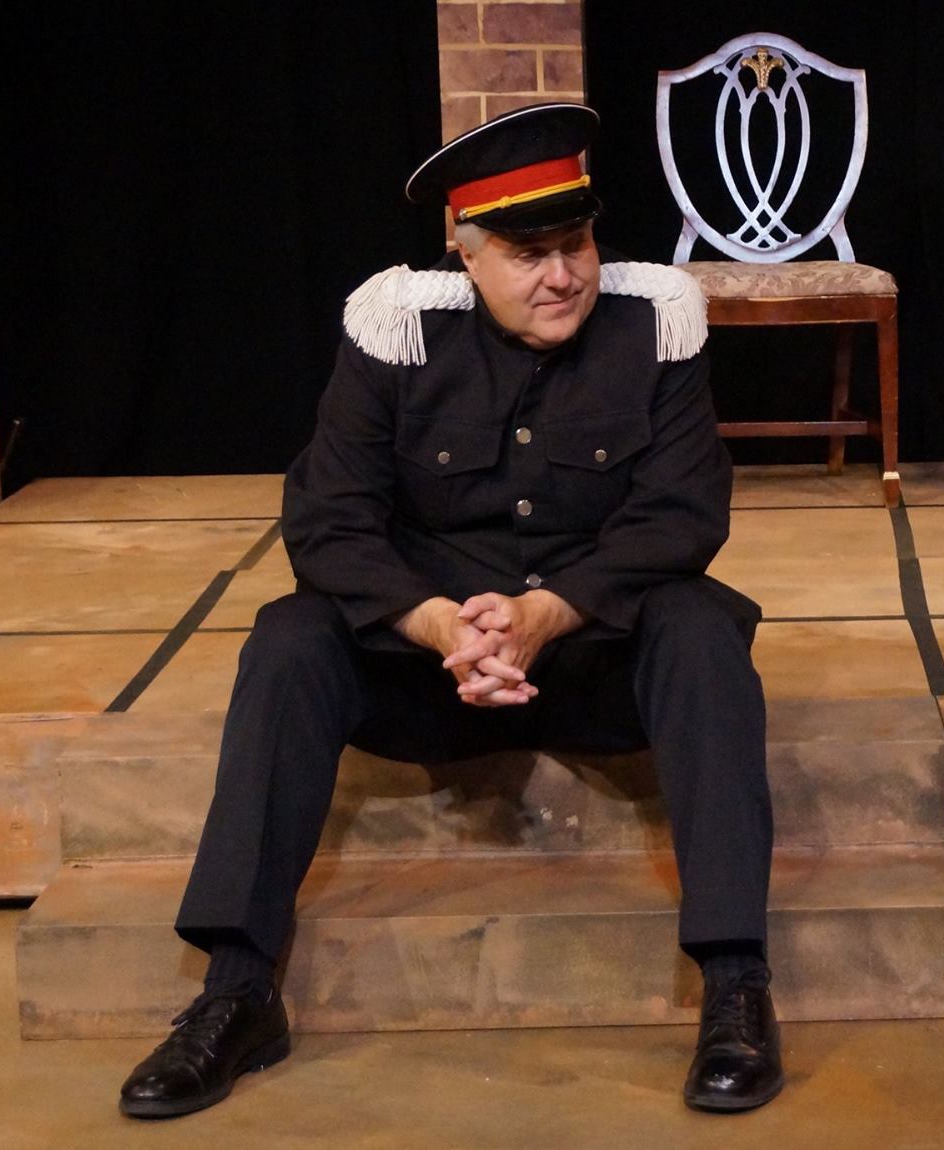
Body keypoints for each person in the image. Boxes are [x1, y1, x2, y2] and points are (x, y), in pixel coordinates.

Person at [118, 103, 783, 1117]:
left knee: (700, 629)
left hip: (594, 662)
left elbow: (683, 513)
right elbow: (328, 522)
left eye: (576, 245)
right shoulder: (396, 333)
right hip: (432, 674)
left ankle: (736, 985)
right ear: (464, 253)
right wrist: (438, 625)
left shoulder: (653, 327)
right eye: (527, 255)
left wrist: (546, 613)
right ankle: (237, 993)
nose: (562, 276)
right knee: (289, 638)